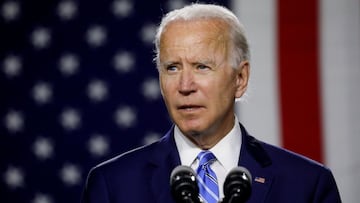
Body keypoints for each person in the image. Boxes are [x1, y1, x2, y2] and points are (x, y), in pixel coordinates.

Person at [81, 3, 341, 203]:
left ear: (240, 78)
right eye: (172, 68)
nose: (185, 86)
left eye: (202, 67)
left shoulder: (307, 185)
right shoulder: (113, 185)